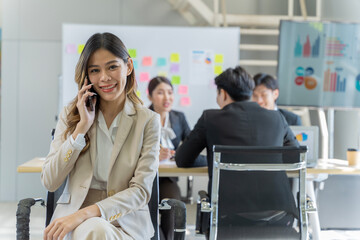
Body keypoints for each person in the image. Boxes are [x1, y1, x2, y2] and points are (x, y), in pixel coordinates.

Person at [41, 32, 160, 240]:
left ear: (128, 67)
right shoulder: (72, 114)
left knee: (96, 229)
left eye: (112, 67)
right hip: (71, 225)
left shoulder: (147, 120)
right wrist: (81, 129)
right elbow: (50, 181)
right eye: (95, 70)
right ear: (87, 76)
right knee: (95, 230)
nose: (104, 77)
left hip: (126, 225)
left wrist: (85, 215)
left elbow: (141, 191)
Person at [175, 66, 299, 229]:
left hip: (227, 217)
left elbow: (182, 159)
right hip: (278, 214)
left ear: (223, 93)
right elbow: (295, 157)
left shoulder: (210, 118)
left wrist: (212, 160)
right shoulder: (276, 117)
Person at [147, 76, 205, 240]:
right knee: (148, 212)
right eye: (160, 93)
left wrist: (178, 153)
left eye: (170, 92)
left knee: (173, 206)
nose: (167, 97)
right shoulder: (143, 116)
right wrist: (154, 156)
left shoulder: (179, 117)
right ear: (150, 96)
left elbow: (190, 144)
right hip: (146, 177)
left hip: (168, 179)